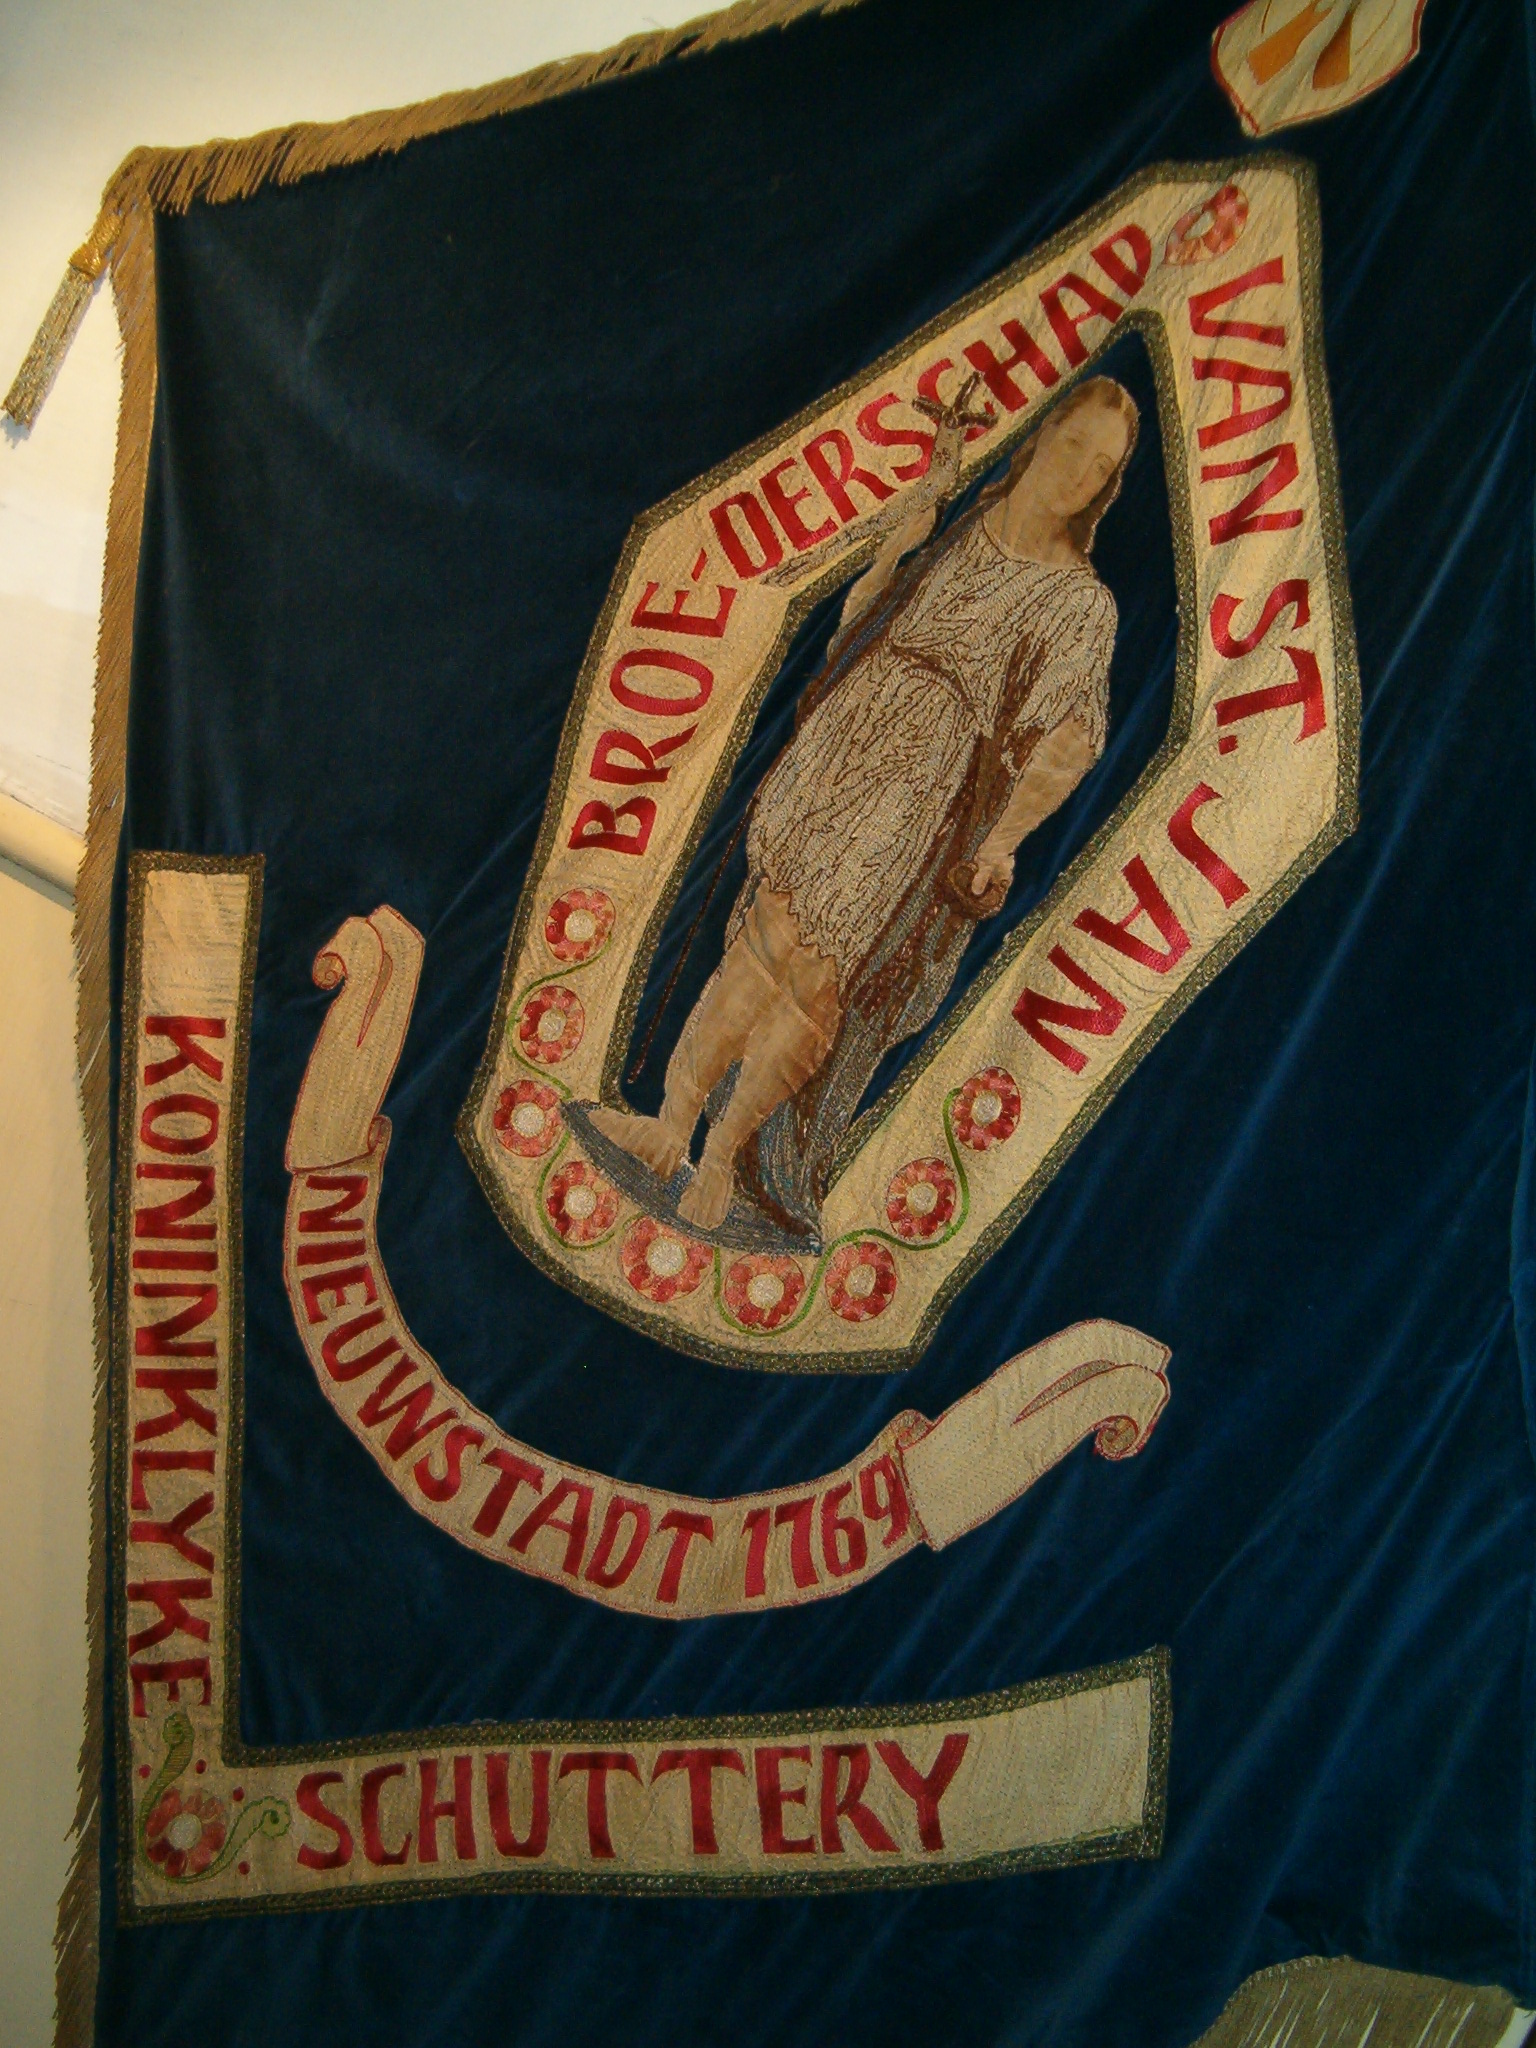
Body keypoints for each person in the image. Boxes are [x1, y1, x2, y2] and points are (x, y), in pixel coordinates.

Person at [590, 374, 1139, 1237]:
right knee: (760, 934)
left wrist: (999, 843)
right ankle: (668, 1127)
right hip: (853, 727)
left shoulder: (1081, 602)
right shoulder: (969, 520)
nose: (1078, 473)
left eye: (1101, 467)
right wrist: (922, 507)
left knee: (816, 975)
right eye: (1073, 444)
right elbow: (869, 604)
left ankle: (722, 1156)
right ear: (1041, 436)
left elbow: (1068, 744)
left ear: (1106, 488)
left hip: (925, 775)